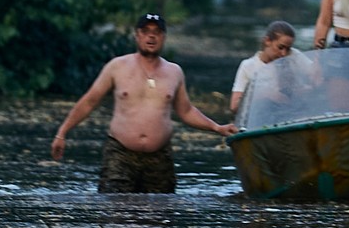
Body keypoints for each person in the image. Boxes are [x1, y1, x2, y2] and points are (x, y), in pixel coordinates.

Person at [51, 13, 233, 193]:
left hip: (159, 157)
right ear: (137, 35)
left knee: (160, 216)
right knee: (115, 213)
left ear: (163, 37)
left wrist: (217, 127)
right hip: (121, 154)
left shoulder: (174, 72)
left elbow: (185, 111)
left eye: (157, 32)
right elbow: (89, 102)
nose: (151, 36)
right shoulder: (117, 66)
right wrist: (62, 132)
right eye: (146, 31)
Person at [230, 21, 297, 115]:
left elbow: (315, 77)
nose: (284, 54)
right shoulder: (248, 66)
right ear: (267, 41)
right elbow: (234, 106)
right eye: (280, 47)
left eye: (288, 49)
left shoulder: (294, 56)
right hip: (259, 118)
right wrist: (265, 95)